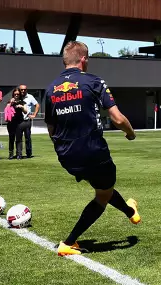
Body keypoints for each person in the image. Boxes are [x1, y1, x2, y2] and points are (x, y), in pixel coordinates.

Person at [45, 41, 139, 257]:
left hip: (66, 155)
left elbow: (51, 127)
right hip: (92, 150)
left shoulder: (51, 88)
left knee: (102, 187)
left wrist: (62, 147)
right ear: (84, 59)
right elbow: (116, 118)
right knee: (103, 194)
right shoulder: (93, 81)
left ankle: (130, 211)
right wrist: (130, 133)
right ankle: (68, 242)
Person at [16, 84, 38, 159]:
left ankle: (29, 153)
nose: (23, 91)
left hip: (27, 120)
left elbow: (37, 105)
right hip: (18, 121)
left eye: (24, 89)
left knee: (27, 138)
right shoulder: (17, 96)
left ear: (26, 90)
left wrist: (34, 115)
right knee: (18, 138)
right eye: (21, 89)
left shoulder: (30, 97)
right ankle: (19, 154)